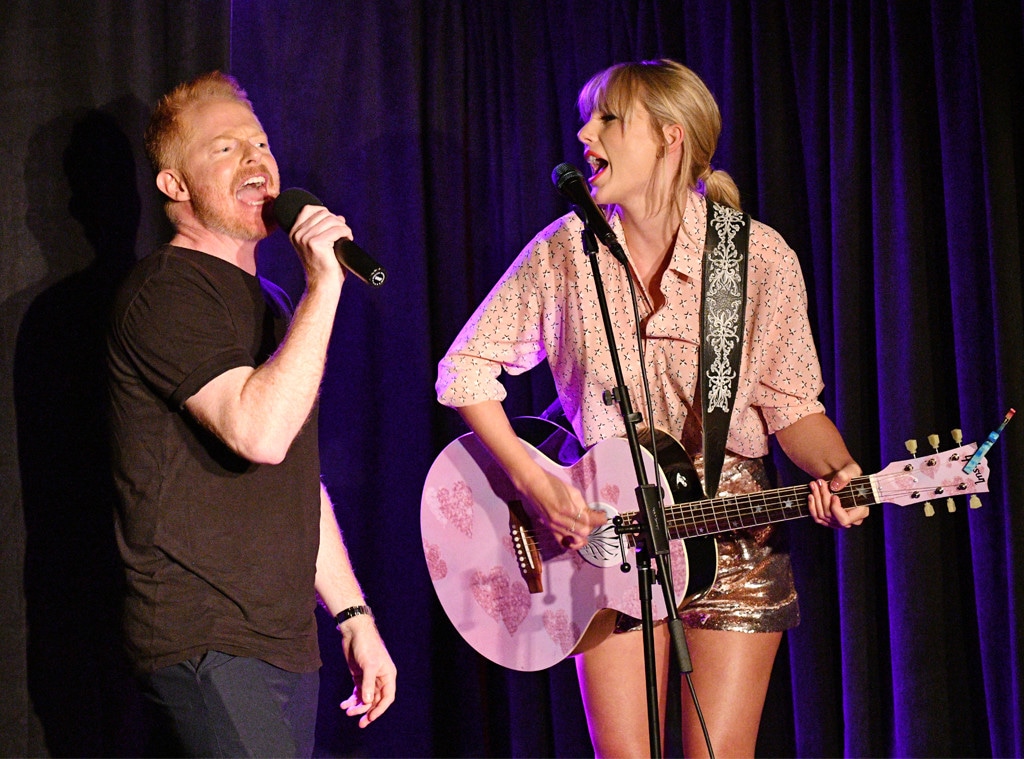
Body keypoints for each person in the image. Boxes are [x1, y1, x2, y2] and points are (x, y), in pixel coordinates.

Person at [436, 59, 868, 758]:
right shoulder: (564, 255)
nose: (584, 132)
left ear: (670, 138)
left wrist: (842, 469)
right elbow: (463, 370)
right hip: (608, 532)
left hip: (733, 531)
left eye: (608, 118)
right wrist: (536, 482)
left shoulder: (757, 259)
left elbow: (791, 406)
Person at [107, 71, 396, 757]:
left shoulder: (269, 302)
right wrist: (325, 284)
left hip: (282, 639)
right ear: (175, 186)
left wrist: (354, 616)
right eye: (226, 148)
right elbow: (259, 433)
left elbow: (299, 478)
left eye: (260, 143)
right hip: (204, 635)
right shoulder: (165, 291)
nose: (257, 159)